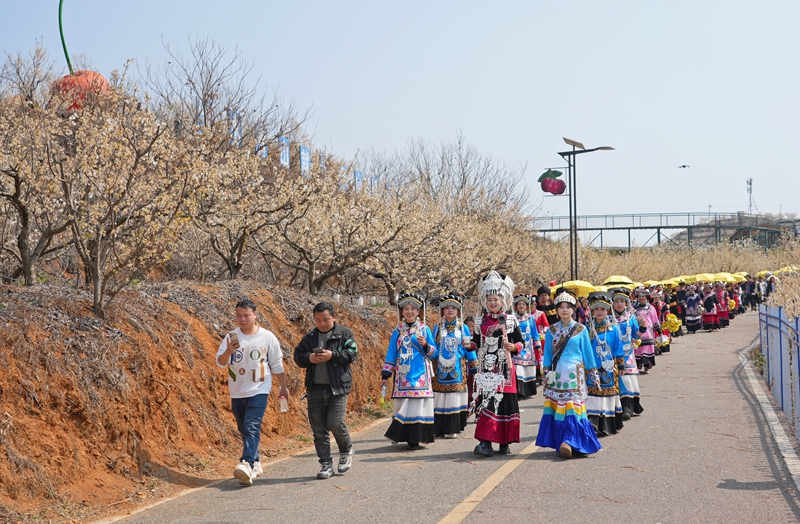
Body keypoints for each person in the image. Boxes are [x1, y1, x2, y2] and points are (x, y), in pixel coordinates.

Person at [216, 299, 289, 486]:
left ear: (255, 315)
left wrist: (282, 387)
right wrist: (229, 350)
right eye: (238, 315)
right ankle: (256, 461)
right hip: (237, 390)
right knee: (243, 427)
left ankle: (246, 462)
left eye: (246, 315)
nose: (242, 319)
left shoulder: (267, 337)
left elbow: (276, 364)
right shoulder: (231, 337)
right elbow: (221, 361)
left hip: (260, 389)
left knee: (251, 426)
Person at [294, 302, 358, 479]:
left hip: (338, 387)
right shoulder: (310, 337)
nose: (322, 323)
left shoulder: (344, 333)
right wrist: (309, 358)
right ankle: (326, 464)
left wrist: (333, 355)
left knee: (336, 423)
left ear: (334, 317)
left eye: (326, 320)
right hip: (315, 389)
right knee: (319, 429)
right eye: (318, 320)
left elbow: (352, 353)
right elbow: (297, 357)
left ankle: (346, 450)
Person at [535, 291, 602, 458]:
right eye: (561, 307)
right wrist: (546, 374)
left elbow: (588, 354)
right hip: (557, 375)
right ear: (556, 310)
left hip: (575, 375)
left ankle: (570, 440)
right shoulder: (551, 330)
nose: (564, 310)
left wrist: (593, 374)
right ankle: (564, 441)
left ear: (573, 310)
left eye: (568, 307)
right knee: (560, 407)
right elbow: (548, 354)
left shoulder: (581, 330)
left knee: (572, 408)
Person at [472, 271, 524, 457]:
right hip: (486, 369)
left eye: (496, 299)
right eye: (489, 299)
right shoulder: (480, 321)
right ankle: (485, 442)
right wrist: (469, 345)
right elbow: (476, 343)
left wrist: (513, 346)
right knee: (487, 403)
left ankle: (504, 441)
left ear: (503, 301)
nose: (493, 302)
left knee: (504, 405)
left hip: (505, 369)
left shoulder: (510, 320)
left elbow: (521, 343)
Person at [381, 292, 437, 450]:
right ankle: (404, 435)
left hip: (420, 374)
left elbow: (435, 354)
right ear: (402, 312)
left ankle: (416, 437)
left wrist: (426, 345)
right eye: (406, 308)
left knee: (417, 404)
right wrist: (386, 375)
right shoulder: (397, 332)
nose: (410, 311)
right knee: (405, 403)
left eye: (413, 308)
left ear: (418, 312)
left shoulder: (425, 330)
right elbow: (391, 354)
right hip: (402, 374)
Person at [431, 292, 478, 438]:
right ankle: (439, 428)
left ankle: (452, 428)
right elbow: (433, 348)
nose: (450, 310)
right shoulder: (436, 328)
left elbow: (468, 347)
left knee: (454, 397)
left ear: (458, 311)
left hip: (458, 367)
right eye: (446, 308)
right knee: (440, 397)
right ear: (442, 311)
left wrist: (474, 364)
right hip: (440, 368)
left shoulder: (462, 327)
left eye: (453, 308)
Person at [585, 291, 625, 436]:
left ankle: (608, 425)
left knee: (608, 396)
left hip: (609, 368)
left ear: (608, 310)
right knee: (593, 396)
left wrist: (621, 366)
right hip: (592, 368)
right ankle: (593, 424)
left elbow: (618, 348)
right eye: (596, 309)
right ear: (592, 311)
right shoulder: (587, 330)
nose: (599, 312)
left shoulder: (613, 329)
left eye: (602, 309)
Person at [611, 288, 645, 419]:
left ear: (626, 303)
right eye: (616, 301)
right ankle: (616, 407)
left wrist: (642, 326)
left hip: (627, 354)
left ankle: (628, 408)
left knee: (627, 380)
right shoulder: (609, 318)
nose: (619, 304)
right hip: (612, 354)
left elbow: (637, 333)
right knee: (616, 380)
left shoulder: (630, 317)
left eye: (622, 301)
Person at [512, 294, 539, 399]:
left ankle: (528, 391)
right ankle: (519, 392)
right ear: (516, 306)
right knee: (518, 369)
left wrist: (538, 346)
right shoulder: (513, 318)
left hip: (528, 349)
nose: (521, 306)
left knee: (527, 369)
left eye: (523, 304)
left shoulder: (530, 318)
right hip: (517, 347)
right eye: (519, 304)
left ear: (526, 306)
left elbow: (535, 333)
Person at [633, 287, 660, 374]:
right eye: (640, 296)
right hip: (638, 332)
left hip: (648, 332)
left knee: (647, 349)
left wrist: (657, 328)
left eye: (643, 296)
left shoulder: (650, 307)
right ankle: (639, 365)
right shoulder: (634, 308)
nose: (641, 298)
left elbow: (654, 318)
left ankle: (647, 367)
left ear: (647, 297)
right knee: (639, 349)